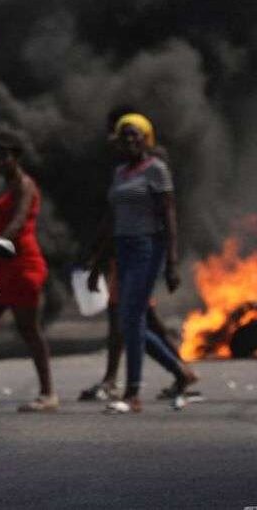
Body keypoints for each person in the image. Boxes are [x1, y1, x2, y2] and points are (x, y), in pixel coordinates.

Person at [86, 113, 197, 413]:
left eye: (136, 134)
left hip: (147, 248)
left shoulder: (156, 170)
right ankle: (179, 371)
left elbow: (169, 217)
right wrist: (97, 261)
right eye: (125, 136)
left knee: (131, 319)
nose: (130, 140)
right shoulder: (121, 173)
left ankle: (133, 393)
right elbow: (113, 219)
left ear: (146, 138)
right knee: (129, 321)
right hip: (122, 248)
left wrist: (172, 262)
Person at [0, 131, 56, 413]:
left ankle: (48, 394)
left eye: (3, 156)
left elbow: (19, 221)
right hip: (3, 266)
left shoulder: (24, 185)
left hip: (22, 265)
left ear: (16, 157)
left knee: (29, 329)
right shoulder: (7, 186)